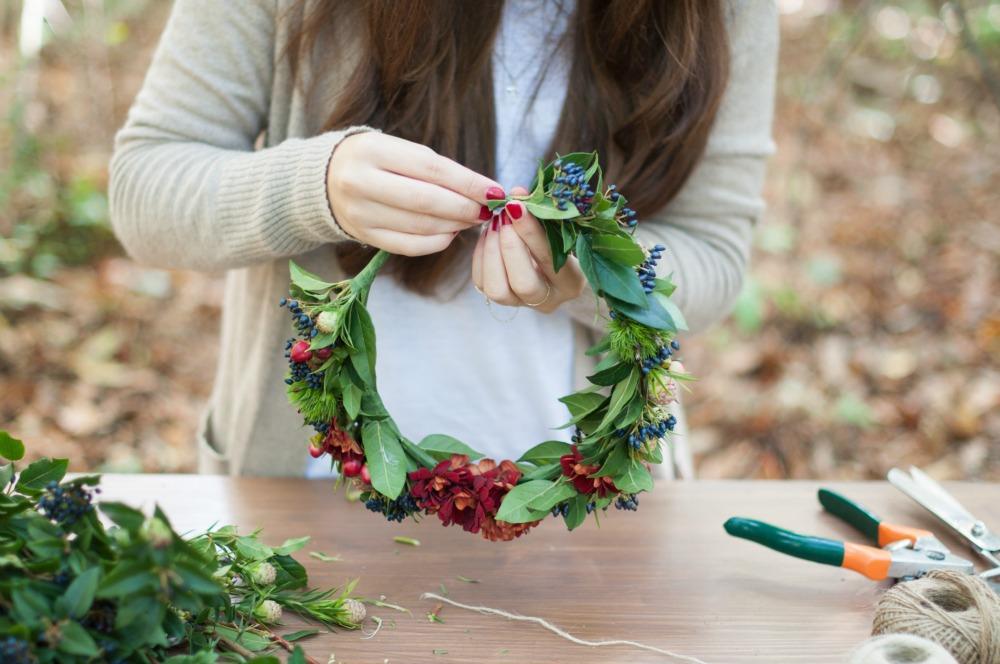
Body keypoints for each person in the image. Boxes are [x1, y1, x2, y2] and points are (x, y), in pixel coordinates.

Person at [109, 0, 778, 479]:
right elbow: (145, 189)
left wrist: (592, 271)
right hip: (307, 491)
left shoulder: (723, 13)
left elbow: (712, 254)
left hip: (586, 507)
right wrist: (315, 186)